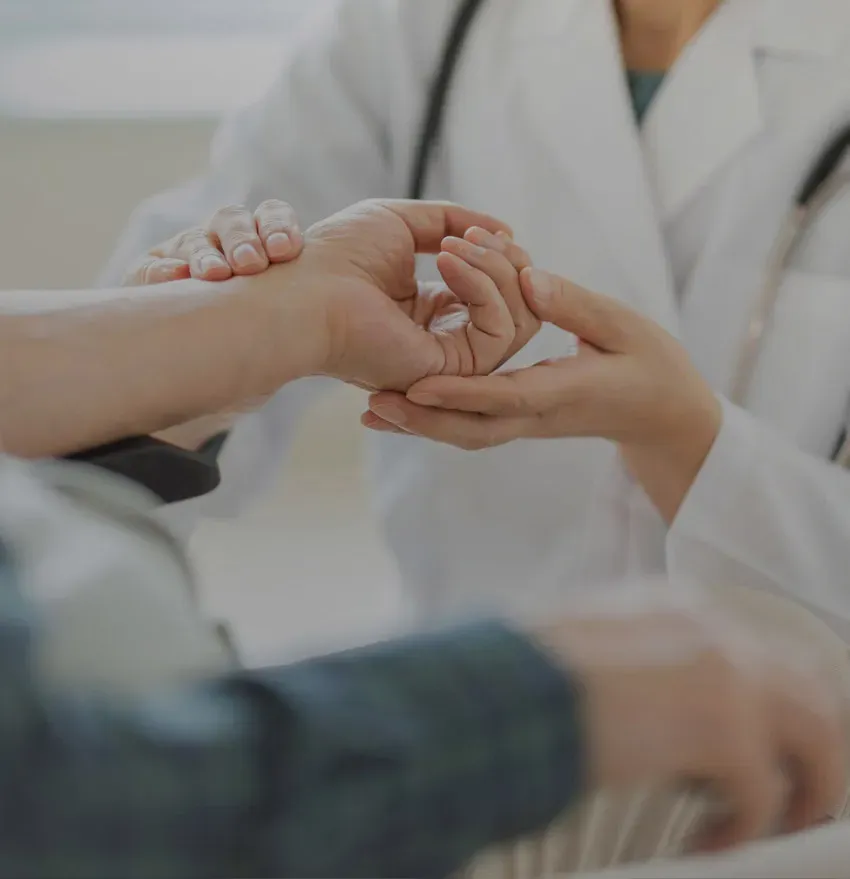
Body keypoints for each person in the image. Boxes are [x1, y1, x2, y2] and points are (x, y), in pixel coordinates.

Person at [0, 197, 845, 875]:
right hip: (224, 792)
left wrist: (272, 321)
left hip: (189, 717)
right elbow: (65, 807)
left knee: (777, 675)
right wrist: (538, 697)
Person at [99, 0, 850, 636]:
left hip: (813, 764)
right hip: (472, 730)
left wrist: (681, 436)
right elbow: (107, 443)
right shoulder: (413, 28)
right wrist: (217, 337)